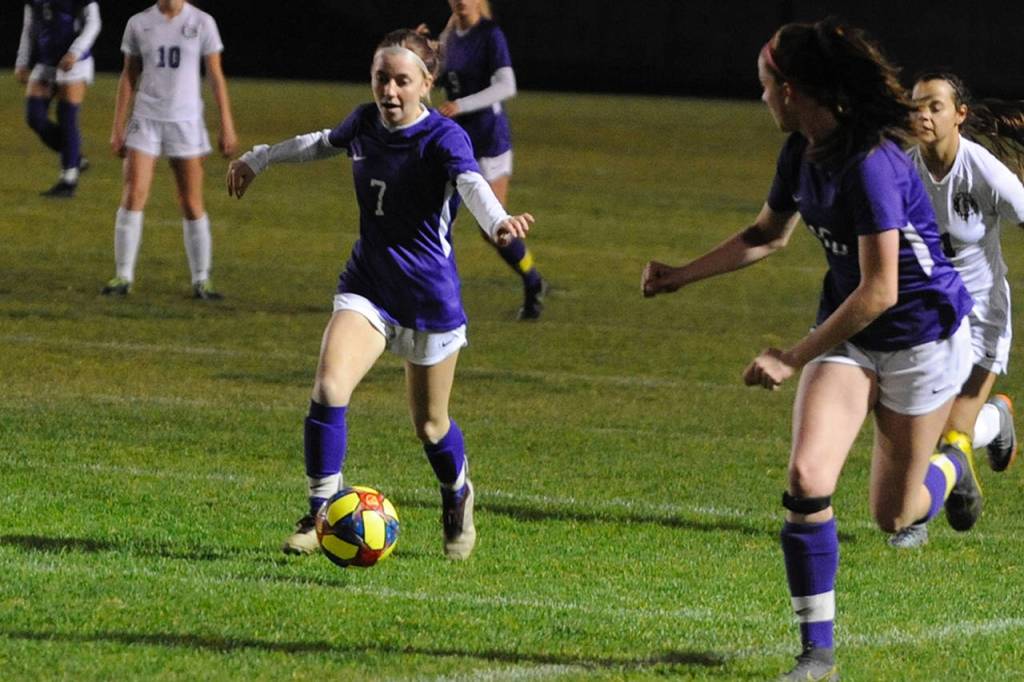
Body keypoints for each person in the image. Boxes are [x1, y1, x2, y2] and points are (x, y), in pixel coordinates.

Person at [642, 19, 977, 682]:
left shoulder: (873, 165)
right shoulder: (801, 151)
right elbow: (766, 236)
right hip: (849, 335)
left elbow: (881, 290)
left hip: (919, 339)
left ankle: (972, 440)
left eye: (765, 87)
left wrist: (792, 356)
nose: (761, 99)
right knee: (806, 481)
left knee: (896, 514)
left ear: (792, 90)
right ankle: (816, 653)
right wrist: (681, 274)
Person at [226, 29, 534, 561]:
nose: (389, 91)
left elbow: (471, 185)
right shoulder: (365, 121)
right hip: (368, 286)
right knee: (328, 386)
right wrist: (261, 157)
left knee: (430, 426)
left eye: (402, 81)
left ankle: (457, 494)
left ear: (426, 84)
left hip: (428, 301)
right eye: (381, 79)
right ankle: (321, 513)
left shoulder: (443, 138)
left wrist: (499, 222)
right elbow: (321, 142)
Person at [889, 73, 1024, 548]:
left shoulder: (983, 172)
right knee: (928, 425)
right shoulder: (902, 174)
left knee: (951, 437)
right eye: (916, 107)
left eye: (935, 106)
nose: (922, 115)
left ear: (959, 115)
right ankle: (995, 422)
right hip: (930, 320)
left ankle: (914, 522)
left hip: (984, 315)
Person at [102, 0, 237, 300]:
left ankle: (201, 280)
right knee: (134, 194)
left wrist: (226, 122)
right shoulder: (139, 22)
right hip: (146, 120)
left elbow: (215, 75)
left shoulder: (202, 23)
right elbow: (128, 76)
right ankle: (122, 276)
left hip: (186, 122)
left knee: (190, 202)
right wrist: (117, 125)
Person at [433, 0, 548, 320]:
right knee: (441, 221)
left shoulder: (489, 34)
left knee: (493, 227)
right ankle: (438, 296)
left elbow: (506, 85)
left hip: (489, 142)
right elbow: (438, 73)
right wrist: (420, 53)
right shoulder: (451, 32)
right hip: (455, 143)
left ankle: (532, 280)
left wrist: (461, 105)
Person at [14, 0, 101, 198]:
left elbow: (93, 22)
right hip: (46, 61)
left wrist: (75, 52)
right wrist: (22, 61)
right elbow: (30, 26)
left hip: (74, 62)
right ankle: (75, 158)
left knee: (66, 116)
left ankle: (68, 180)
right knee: (35, 117)